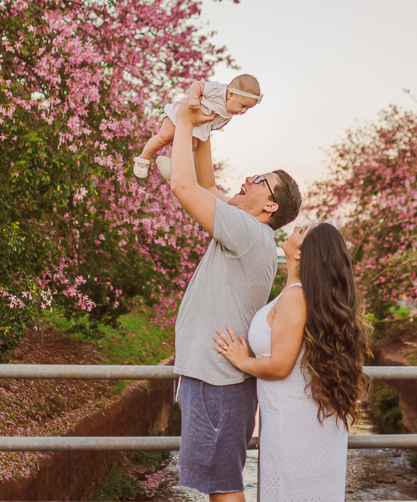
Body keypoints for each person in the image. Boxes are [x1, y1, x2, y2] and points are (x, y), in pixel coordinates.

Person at [169, 100, 301, 502]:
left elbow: (184, 186)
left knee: (224, 490)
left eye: (259, 180)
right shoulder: (250, 232)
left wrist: (184, 122)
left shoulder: (248, 232)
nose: (247, 179)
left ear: (270, 206)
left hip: (217, 382)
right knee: (219, 487)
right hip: (214, 380)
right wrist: (205, 129)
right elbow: (206, 187)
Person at [214, 223, 372, 501]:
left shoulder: (296, 296)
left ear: (300, 253)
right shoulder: (301, 294)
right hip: (311, 420)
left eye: (302, 231)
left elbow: (279, 366)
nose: (297, 227)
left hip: (293, 426)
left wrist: (242, 360)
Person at [132, 74, 263, 179]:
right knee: (165, 136)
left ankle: (168, 160)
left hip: (196, 126)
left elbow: (213, 124)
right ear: (230, 94)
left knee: (192, 146)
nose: (243, 111)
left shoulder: (229, 112)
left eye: (247, 109)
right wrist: (193, 98)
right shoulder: (217, 90)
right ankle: (143, 158)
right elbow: (197, 85)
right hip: (181, 113)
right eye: (243, 106)